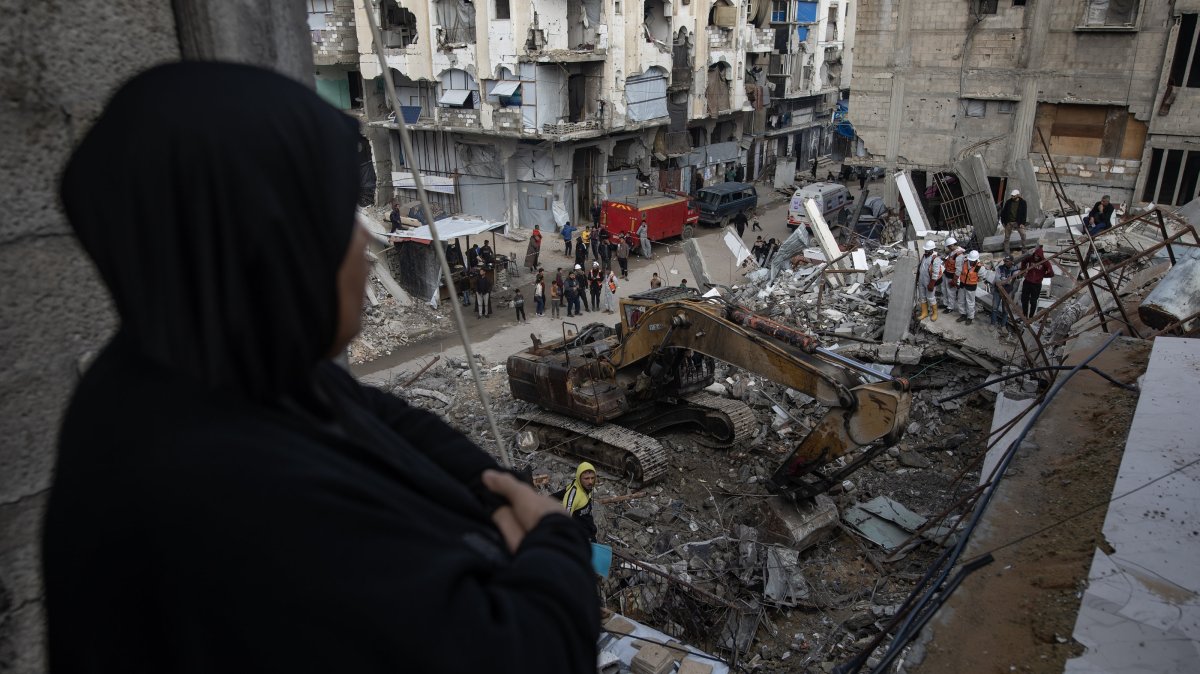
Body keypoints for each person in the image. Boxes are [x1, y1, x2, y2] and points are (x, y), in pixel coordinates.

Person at [45, 61, 597, 674]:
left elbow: (392, 424)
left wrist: (497, 490)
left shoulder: (220, 371)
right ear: (271, 248)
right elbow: (531, 651)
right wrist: (552, 539)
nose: (365, 249)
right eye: (337, 222)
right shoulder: (227, 496)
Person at [553, 463, 597, 542]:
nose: (590, 482)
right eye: (586, 478)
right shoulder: (573, 496)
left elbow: (561, 493)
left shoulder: (586, 487)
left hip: (589, 527)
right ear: (579, 478)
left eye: (592, 478)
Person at [1019, 245, 1053, 320]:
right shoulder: (1031, 258)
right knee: (1024, 299)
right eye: (1035, 256)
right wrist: (1023, 271)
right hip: (1027, 281)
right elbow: (1024, 261)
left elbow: (1051, 274)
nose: (1036, 257)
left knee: (1033, 301)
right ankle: (1024, 315)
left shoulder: (1045, 262)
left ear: (1040, 256)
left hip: (1036, 284)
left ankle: (1031, 317)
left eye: (1038, 256)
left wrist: (1042, 275)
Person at [917, 240, 944, 321]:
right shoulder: (924, 256)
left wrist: (931, 284)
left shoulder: (935, 258)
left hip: (929, 281)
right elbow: (920, 267)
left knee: (931, 297)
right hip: (922, 280)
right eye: (925, 250)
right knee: (922, 297)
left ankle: (935, 313)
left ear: (932, 250)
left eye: (928, 250)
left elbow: (935, 273)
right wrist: (918, 279)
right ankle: (924, 312)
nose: (926, 251)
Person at [956, 250, 981, 325]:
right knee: (960, 300)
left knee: (970, 302)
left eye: (973, 261)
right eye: (970, 260)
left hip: (971, 286)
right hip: (963, 284)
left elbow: (981, 276)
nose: (971, 262)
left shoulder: (979, 266)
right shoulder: (965, 262)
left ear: (976, 259)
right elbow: (960, 271)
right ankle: (963, 314)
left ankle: (970, 317)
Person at [999, 189, 1028, 255]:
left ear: (1018, 195)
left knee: (1023, 235)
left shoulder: (1023, 202)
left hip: (1018, 222)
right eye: (1012, 196)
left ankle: (1024, 250)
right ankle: (1007, 252)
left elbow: (1024, 213)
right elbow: (1003, 212)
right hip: (1009, 222)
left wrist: (1022, 223)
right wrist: (1003, 222)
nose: (1012, 197)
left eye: (1014, 196)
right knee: (1006, 238)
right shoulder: (1008, 202)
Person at [990, 255, 1016, 328]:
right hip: (998, 290)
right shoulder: (1000, 268)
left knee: (1006, 310)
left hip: (1007, 292)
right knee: (995, 307)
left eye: (1007, 261)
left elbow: (1013, 280)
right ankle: (992, 324)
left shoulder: (1015, 269)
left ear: (1011, 262)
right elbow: (997, 280)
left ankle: (1003, 326)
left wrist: (1003, 280)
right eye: (1004, 261)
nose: (1005, 262)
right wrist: (1006, 281)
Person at [941, 237, 963, 314]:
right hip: (946, 273)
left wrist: (955, 280)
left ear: (953, 245)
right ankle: (945, 304)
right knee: (944, 289)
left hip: (952, 276)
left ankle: (950, 307)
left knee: (951, 292)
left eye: (949, 246)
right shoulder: (952, 252)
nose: (949, 248)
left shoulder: (959, 254)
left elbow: (959, 269)